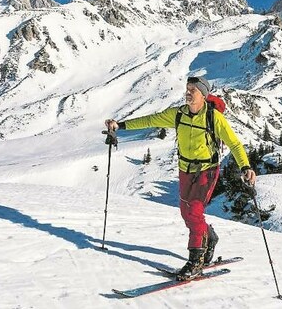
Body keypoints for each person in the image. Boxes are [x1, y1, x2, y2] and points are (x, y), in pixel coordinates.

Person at [105, 75, 256, 281]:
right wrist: (120, 126)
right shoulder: (178, 114)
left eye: (192, 89)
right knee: (187, 213)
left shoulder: (214, 118)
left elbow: (235, 144)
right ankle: (209, 238)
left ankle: (195, 261)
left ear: (203, 95)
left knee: (194, 211)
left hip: (207, 170)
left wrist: (245, 166)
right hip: (185, 169)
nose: (188, 92)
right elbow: (150, 120)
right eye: (187, 88)